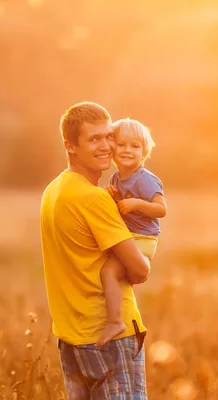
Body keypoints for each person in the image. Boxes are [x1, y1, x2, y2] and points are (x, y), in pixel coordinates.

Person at [40, 102, 150, 399]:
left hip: (72, 338)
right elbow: (140, 270)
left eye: (108, 136)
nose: (106, 146)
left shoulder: (54, 190)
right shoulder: (93, 199)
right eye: (93, 139)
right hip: (111, 338)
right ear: (70, 146)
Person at [96, 118, 167, 347]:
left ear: (144, 152)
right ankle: (118, 314)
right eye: (122, 144)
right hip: (130, 237)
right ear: (112, 147)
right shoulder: (117, 178)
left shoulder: (145, 180)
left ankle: (116, 321)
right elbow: (123, 207)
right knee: (111, 272)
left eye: (135, 146)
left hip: (143, 239)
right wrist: (116, 198)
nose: (128, 150)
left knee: (108, 272)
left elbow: (161, 209)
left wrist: (137, 203)